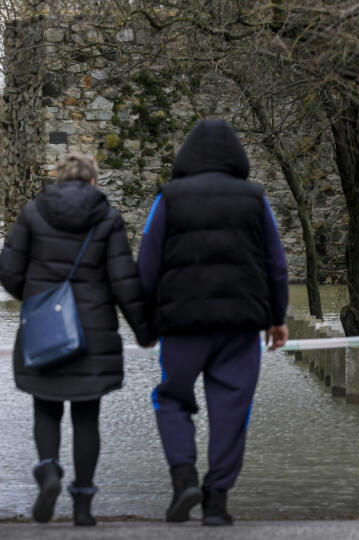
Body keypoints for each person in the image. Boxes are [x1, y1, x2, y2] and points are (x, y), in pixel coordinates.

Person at [137, 119, 289, 526]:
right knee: (231, 409)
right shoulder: (255, 199)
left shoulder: (167, 198)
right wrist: (277, 319)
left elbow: (147, 264)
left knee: (171, 399)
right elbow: (276, 263)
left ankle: (184, 477)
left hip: (181, 326)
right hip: (240, 328)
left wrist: (146, 324)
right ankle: (216, 502)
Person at [0, 153, 152, 526]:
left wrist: (35, 298)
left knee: (46, 407)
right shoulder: (108, 218)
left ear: (58, 178)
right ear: (93, 182)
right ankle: (82, 507)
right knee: (86, 417)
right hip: (93, 332)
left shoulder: (33, 213)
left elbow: (7, 270)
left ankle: (49, 471)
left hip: (43, 330)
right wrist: (145, 331)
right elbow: (123, 281)